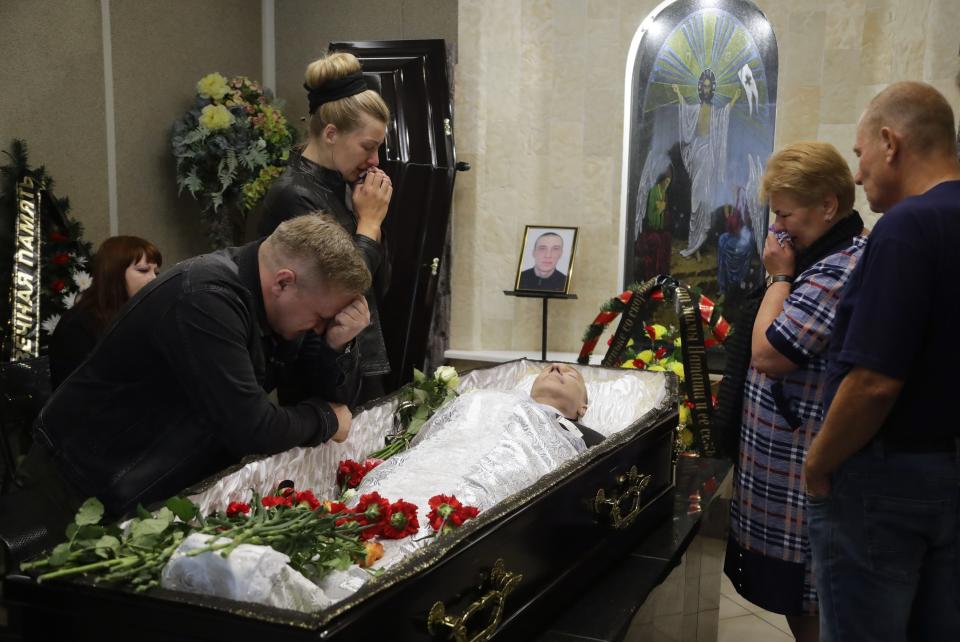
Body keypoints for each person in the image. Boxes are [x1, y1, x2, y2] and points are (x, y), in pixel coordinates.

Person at [19, 215, 372, 536]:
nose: (321, 326)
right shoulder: (206, 296)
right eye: (322, 317)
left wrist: (335, 346)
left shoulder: (280, 307)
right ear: (284, 282)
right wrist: (324, 419)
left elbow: (321, 399)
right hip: (76, 489)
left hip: (138, 486)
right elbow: (253, 427)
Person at [804, 82, 960, 642]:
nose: (859, 174)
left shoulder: (907, 226)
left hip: (888, 481)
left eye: (861, 154)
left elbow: (873, 381)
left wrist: (819, 464)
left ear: (891, 143)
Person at [723, 142, 867, 642]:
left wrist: (779, 276)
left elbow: (769, 352)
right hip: (779, 464)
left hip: (803, 467)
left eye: (786, 214)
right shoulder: (820, 255)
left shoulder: (839, 267)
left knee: (811, 600)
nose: (778, 228)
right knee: (794, 599)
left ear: (828, 206)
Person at [258, 52, 393, 402]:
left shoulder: (345, 188)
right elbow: (339, 289)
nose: (375, 160)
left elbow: (380, 284)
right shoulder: (293, 194)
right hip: (317, 371)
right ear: (331, 133)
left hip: (360, 358)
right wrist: (369, 222)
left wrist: (371, 220)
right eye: (368, 146)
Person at [49, 235, 162, 390]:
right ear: (114, 274)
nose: (154, 279)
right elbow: (81, 395)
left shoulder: (144, 316)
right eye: (143, 270)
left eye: (156, 272)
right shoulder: (78, 324)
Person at [673, 70, 740, 260]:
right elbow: (685, 111)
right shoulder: (695, 109)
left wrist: (734, 98)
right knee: (696, 202)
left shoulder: (715, 112)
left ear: (713, 89)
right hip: (698, 154)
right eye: (703, 85)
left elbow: (725, 113)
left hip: (709, 155)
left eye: (709, 86)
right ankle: (694, 245)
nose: (706, 88)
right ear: (700, 88)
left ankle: (700, 243)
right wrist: (678, 93)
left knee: (706, 200)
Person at [634, 167, 673, 281]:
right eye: (666, 181)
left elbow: (665, 212)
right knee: (656, 241)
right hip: (651, 230)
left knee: (666, 239)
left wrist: (664, 209)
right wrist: (661, 208)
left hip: (661, 229)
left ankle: (663, 276)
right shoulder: (654, 191)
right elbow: (652, 214)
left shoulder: (664, 193)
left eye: (669, 181)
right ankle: (653, 277)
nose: (667, 183)